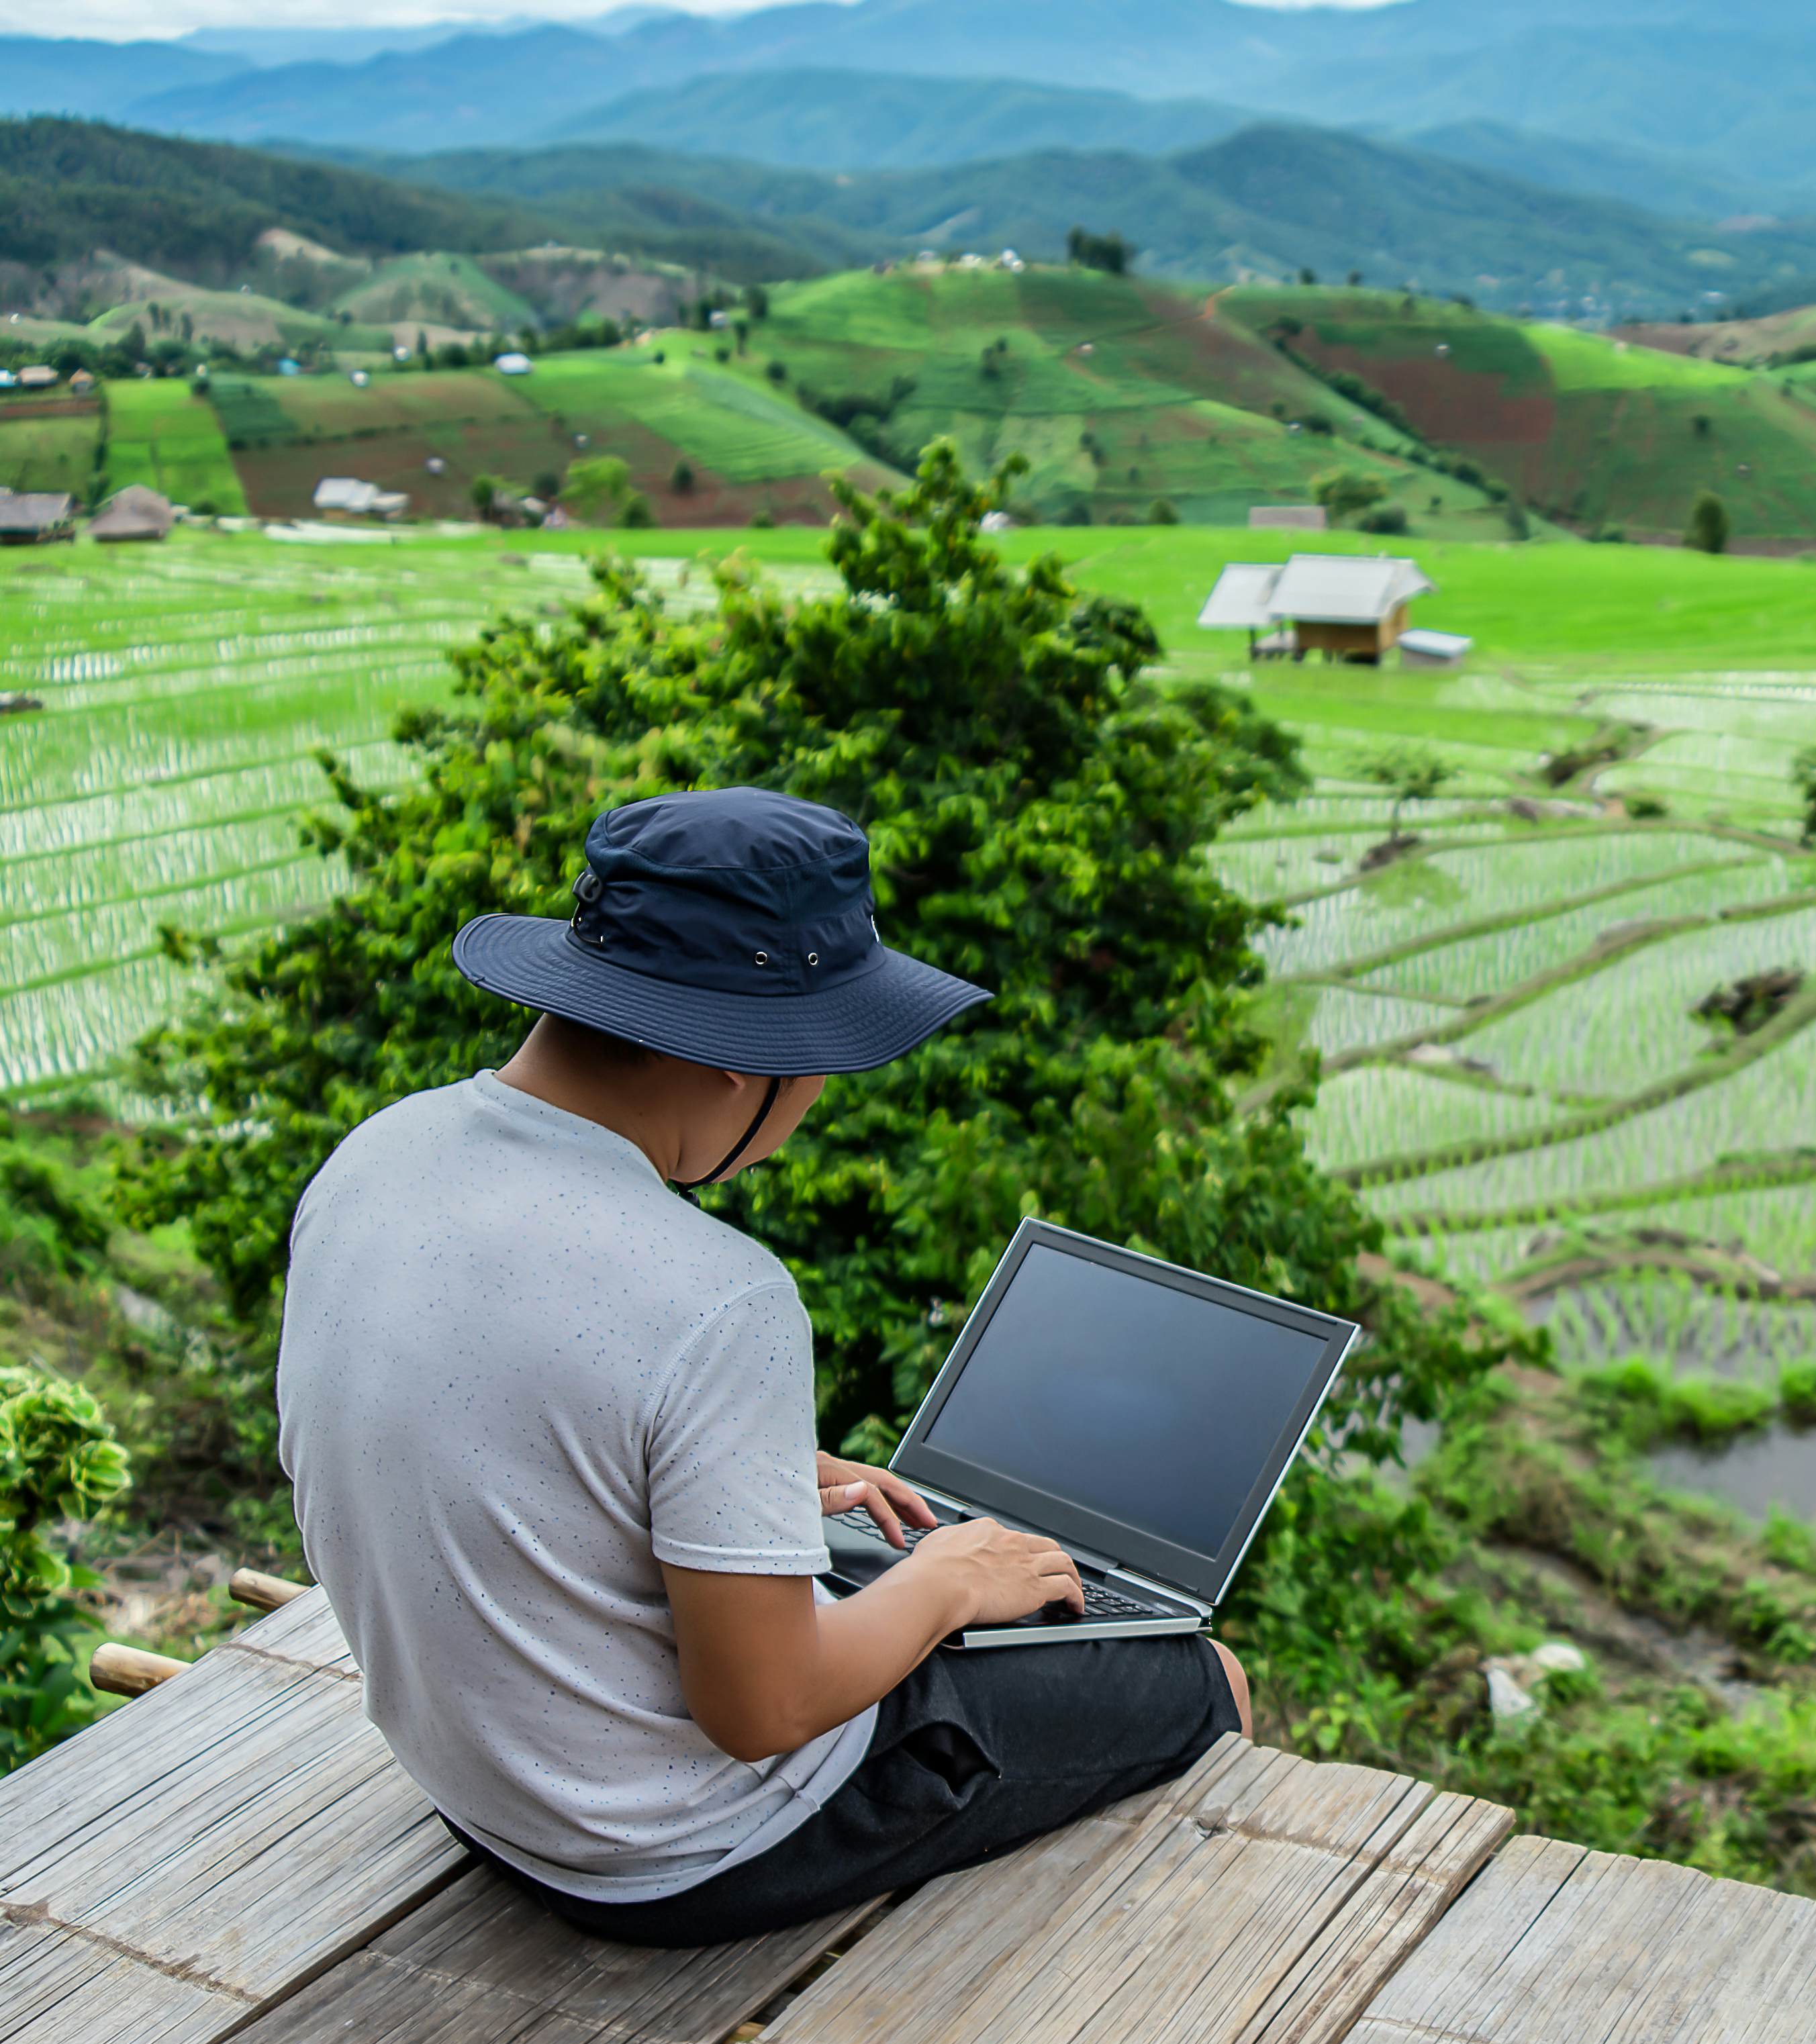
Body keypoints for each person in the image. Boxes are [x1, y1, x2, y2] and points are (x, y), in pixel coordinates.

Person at [277, 787, 1252, 1947]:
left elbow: (491, 1411)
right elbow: (764, 1708)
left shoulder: (381, 1152)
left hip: (481, 1792)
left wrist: (750, 1474)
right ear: (745, 1066)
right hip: (667, 1854)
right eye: (825, 1064)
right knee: (1204, 1674)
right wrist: (949, 1580)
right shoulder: (716, 1292)